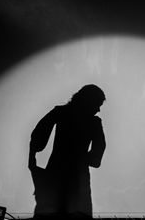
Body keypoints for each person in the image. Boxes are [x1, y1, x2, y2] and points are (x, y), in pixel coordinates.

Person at [28, 84, 106, 219]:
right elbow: (97, 154)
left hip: (55, 173)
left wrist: (33, 160)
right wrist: (85, 158)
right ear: (89, 101)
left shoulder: (61, 112)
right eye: (97, 104)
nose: (98, 109)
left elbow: (38, 136)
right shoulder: (93, 122)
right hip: (78, 180)